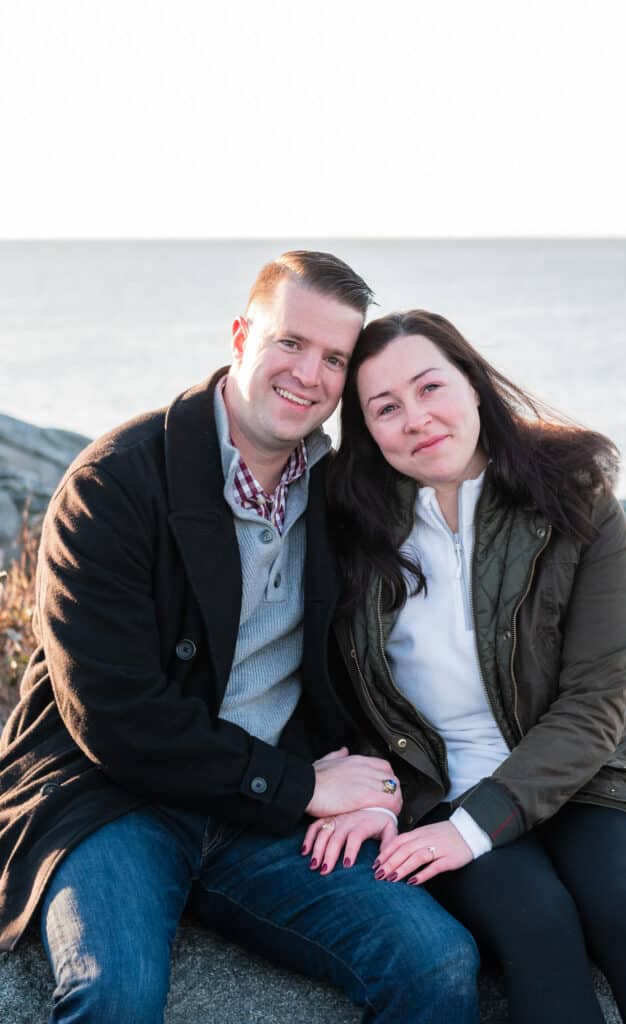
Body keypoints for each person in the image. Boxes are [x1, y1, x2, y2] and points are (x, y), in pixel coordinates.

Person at [0, 265, 480, 1023]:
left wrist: (382, 784)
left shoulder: (341, 491)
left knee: (435, 961)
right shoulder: (116, 482)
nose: (308, 375)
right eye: (290, 342)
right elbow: (113, 714)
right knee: (114, 996)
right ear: (239, 337)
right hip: (115, 798)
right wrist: (301, 789)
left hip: (268, 813)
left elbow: (379, 660)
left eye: (334, 359)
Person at [307, 309, 626, 1024]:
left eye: (430, 388)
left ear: (473, 384)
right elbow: (325, 683)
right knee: (537, 929)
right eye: (385, 408)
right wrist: (363, 782)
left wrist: (475, 827)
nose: (416, 418)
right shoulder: (344, 525)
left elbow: (593, 702)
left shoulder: (574, 496)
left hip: (589, 776)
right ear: (364, 429)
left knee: (625, 913)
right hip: (438, 789)